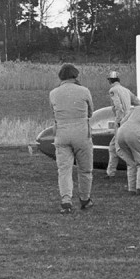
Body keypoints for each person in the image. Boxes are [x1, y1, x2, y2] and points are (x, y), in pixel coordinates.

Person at [49, 63, 94, 214]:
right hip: (81, 134)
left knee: (64, 170)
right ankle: (85, 199)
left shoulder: (53, 93)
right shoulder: (84, 91)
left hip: (61, 134)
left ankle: (66, 200)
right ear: (75, 75)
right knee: (85, 170)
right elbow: (91, 113)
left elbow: (54, 113)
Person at [105, 70, 140, 179]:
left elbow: (118, 108)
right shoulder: (126, 90)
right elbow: (139, 103)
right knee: (112, 148)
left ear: (110, 81)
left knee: (118, 148)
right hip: (128, 121)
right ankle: (110, 173)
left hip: (121, 123)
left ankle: (133, 166)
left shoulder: (113, 90)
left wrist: (119, 121)